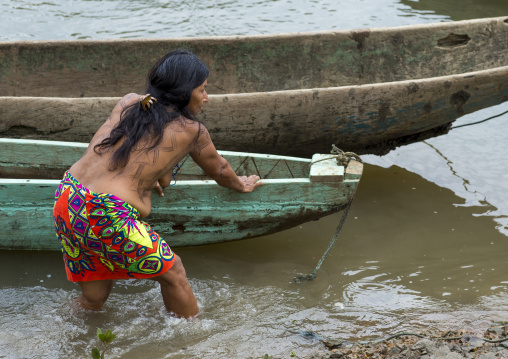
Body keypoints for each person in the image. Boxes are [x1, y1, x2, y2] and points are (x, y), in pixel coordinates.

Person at [52, 49, 263, 318]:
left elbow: (125, 151)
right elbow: (220, 169)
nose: (206, 98)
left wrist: (150, 178)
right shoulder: (191, 130)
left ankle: (64, 334)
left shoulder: (129, 102)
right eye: (203, 90)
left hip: (68, 198)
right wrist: (240, 184)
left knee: (94, 299)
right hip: (104, 214)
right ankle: (191, 339)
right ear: (185, 91)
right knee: (174, 273)